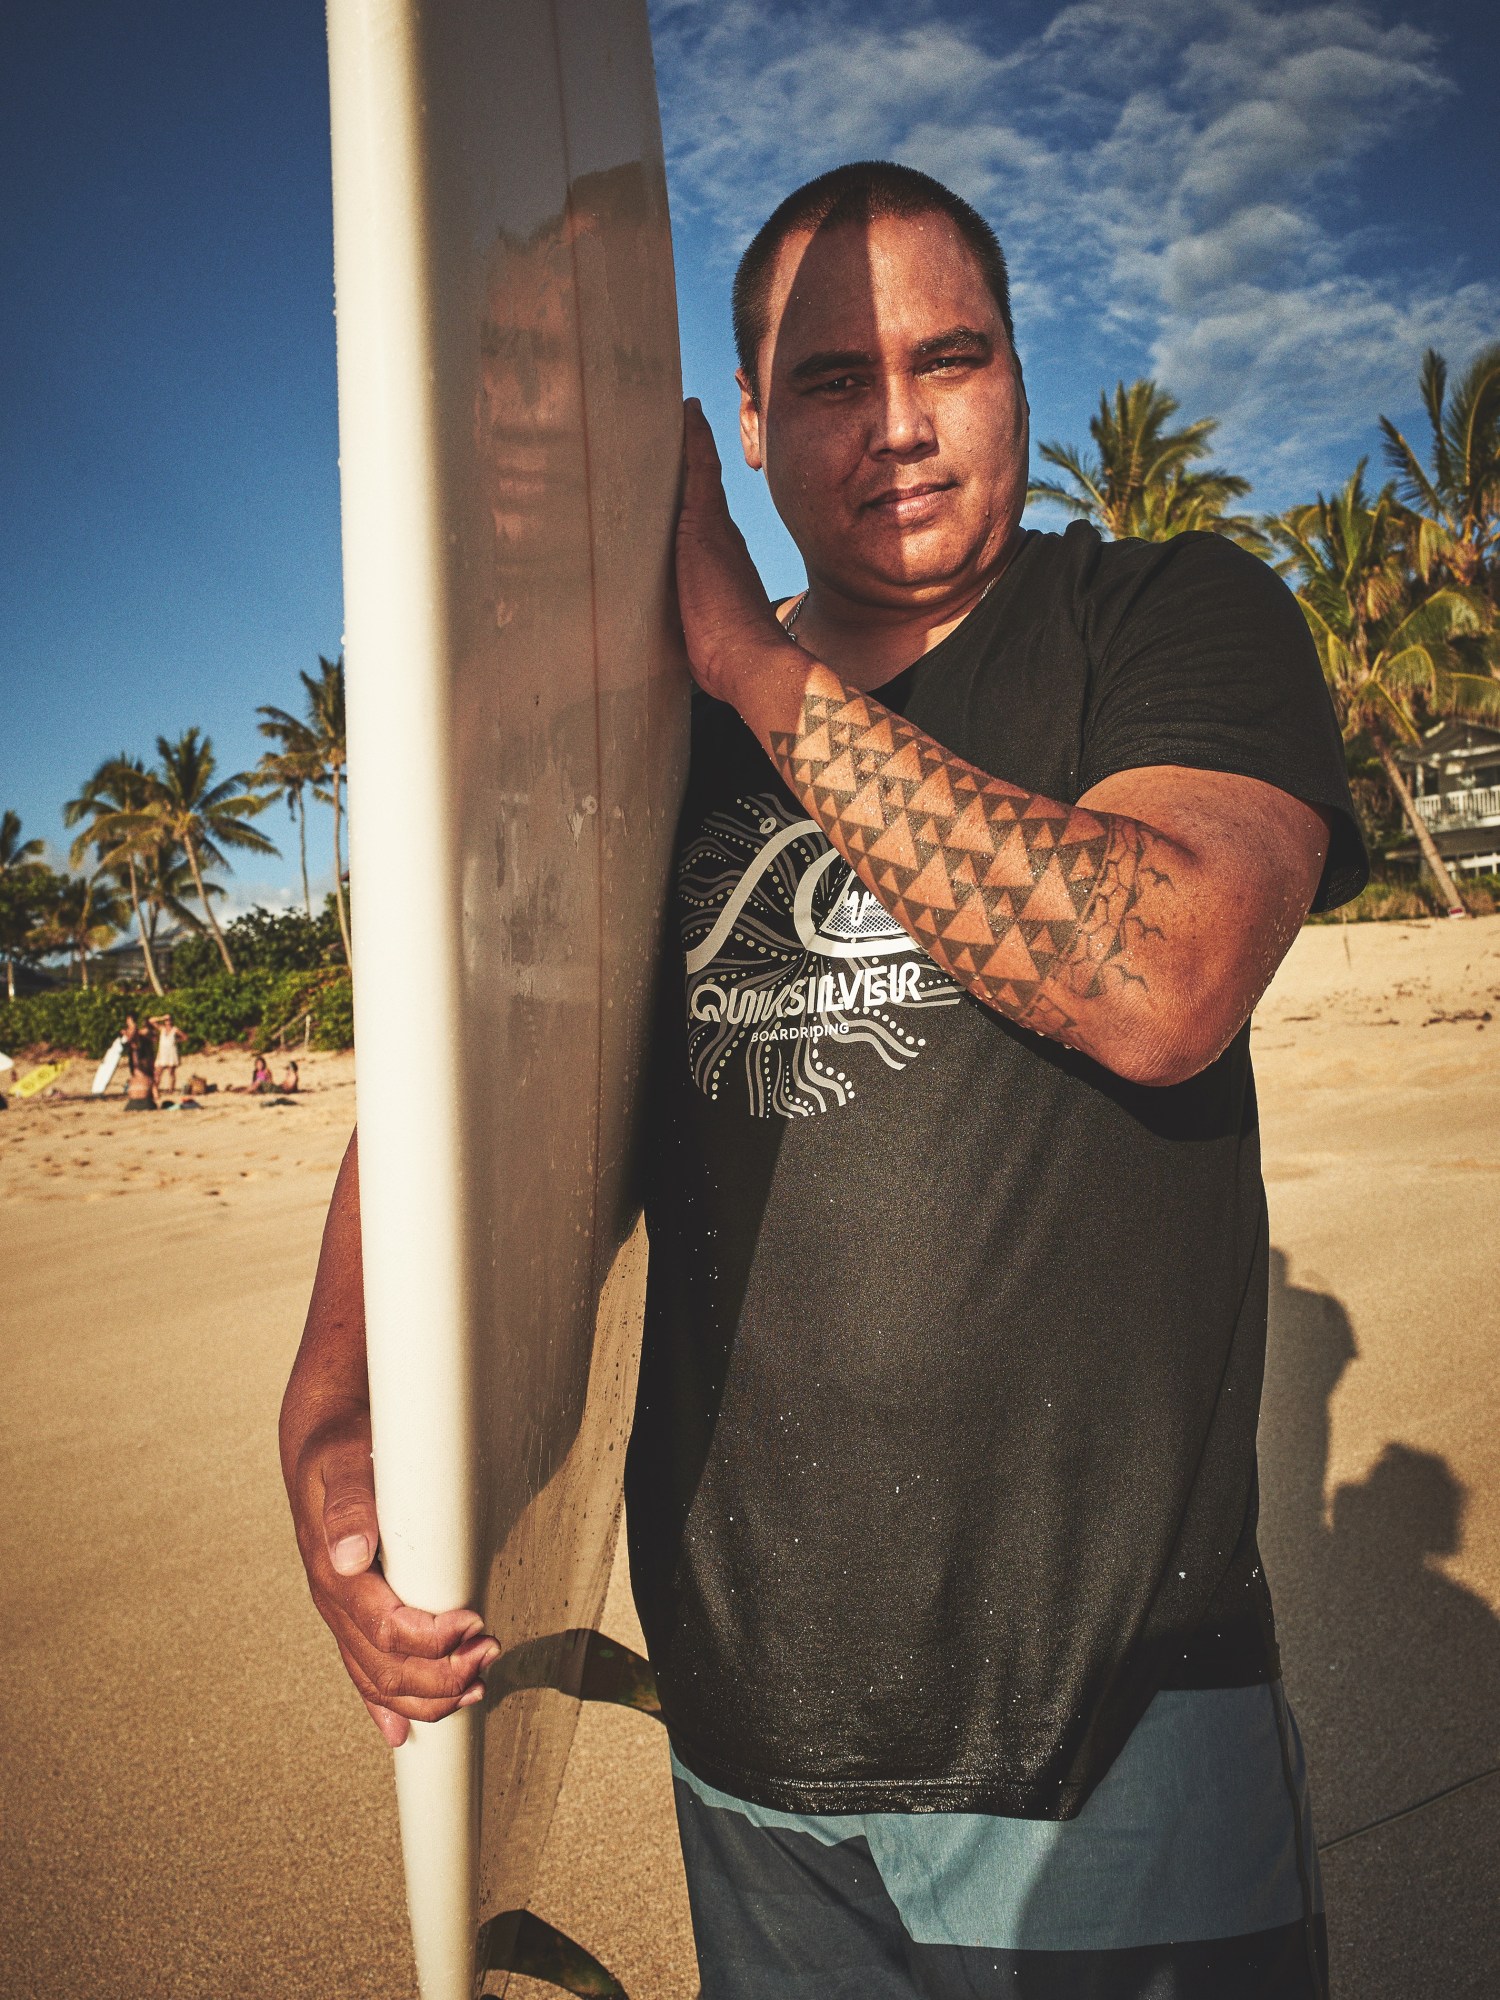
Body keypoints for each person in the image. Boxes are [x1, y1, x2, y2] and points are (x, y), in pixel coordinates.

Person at [282, 163, 1367, 1997]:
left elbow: (1163, 974)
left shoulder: (1167, 618)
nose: (904, 429)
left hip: (1116, 1733)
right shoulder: (642, 758)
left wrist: (755, 670)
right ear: (750, 430)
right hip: (755, 1769)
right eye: (839, 385)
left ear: (1024, 371)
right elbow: (480, 1107)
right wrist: (329, 1427)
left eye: (952, 361)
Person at [122, 1013, 156, 1112]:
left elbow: (130, 1040)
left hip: (142, 1055)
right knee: (141, 1074)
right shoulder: (139, 1030)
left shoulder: (139, 1029)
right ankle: (146, 1094)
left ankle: (145, 1094)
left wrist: (127, 1033)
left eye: (128, 1020)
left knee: (142, 1074)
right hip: (142, 1055)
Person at [148, 1012, 182, 1094]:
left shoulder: (175, 1029)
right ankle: (155, 1088)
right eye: (166, 1020)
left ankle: (171, 1090)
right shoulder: (162, 1028)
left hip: (171, 1053)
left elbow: (185, 1037)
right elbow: (151, 1021)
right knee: (157, 1072)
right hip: (162, 1054)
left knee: (171, 1072)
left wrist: (176, 1041)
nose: (168, 1021)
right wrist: (162, 1017)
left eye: (169, 1019)